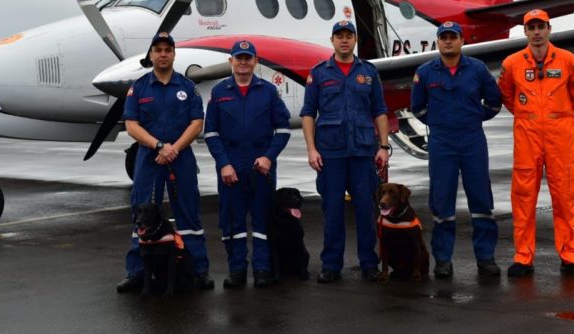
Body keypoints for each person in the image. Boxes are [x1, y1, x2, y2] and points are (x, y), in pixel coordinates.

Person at [116, 32, 214, 293]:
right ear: (151, 55)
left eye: (167, 50)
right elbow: (131, 125)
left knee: (189, 212)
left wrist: (174, 149)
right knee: (142, 214)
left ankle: (197, 269)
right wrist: (159, 146)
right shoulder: (139, 88)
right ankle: (137, 272)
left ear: (173, 54)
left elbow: (197, 123)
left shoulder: (187, 87)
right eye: (157, 50)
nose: (163, 54)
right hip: (149, 157)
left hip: (180, 157)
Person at [498, 9, 574, 278]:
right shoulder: (512, 63)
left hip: (560, 134)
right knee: (523, 197)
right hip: (527, 135)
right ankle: (523, 256)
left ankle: (570, 256)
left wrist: (555, 116)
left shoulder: (568, 60)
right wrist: (529, 117)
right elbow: (507, 96)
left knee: (565, 196)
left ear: (549, 29)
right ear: (525, 32)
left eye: (541, 27)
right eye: (532, 27)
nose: (537, 32)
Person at [300, 20, 390, 283]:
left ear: (355, 40)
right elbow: (308, 113)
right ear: (332, 41)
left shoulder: (369, 72)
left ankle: (369, 264)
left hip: (362, 152)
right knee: (332, 211)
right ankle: (331, 265)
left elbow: (380, 111)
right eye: (339, 36)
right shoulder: (319, 73)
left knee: (365, 210)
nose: (344, 40)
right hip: (331, 153)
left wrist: (384, 147)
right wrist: (311, 149)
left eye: (348, 36)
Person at [410, 21, 503, 278]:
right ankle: (443, 260)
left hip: (472, 139)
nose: (448, 41)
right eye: (444, 37)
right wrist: (440, 122)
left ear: (462, 40)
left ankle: (485, 257)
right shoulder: (425, 72)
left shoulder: (477, 69)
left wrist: (474, 118)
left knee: (481, 198)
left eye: (453, 37)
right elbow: (417, 107)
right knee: (441, 200)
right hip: (442, 142)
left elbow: (494, 102)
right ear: (438, 42)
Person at [204, 40, 291, 288]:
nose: (243, 62)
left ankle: (262, 269)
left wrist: (268, 157)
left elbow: (283, 129)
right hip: (231, 166)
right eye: (239, 58)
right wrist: (223, 163)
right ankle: (237, 270)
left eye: (248, 58)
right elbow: (211, 133)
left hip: (261, 167)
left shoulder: (268, 91)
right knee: (232, 221)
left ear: (255, 61)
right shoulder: (219, 92)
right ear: (231, 61)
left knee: (262, 219)